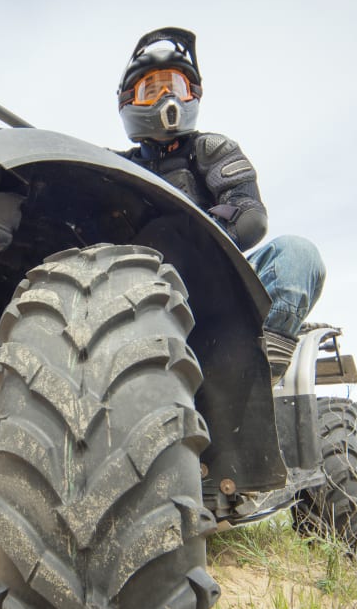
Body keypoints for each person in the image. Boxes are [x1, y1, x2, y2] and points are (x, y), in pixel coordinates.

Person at [116, 27, 326, 380]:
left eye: (176, 87)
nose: (167, 96)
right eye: (152, 88)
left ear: (192, 95)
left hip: (216, 286)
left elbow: (250, 216)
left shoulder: (212, 150)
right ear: (129, 101)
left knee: (298, 253)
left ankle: (258, 367)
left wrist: (185, 234)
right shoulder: (114, 166)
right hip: (136, 296)